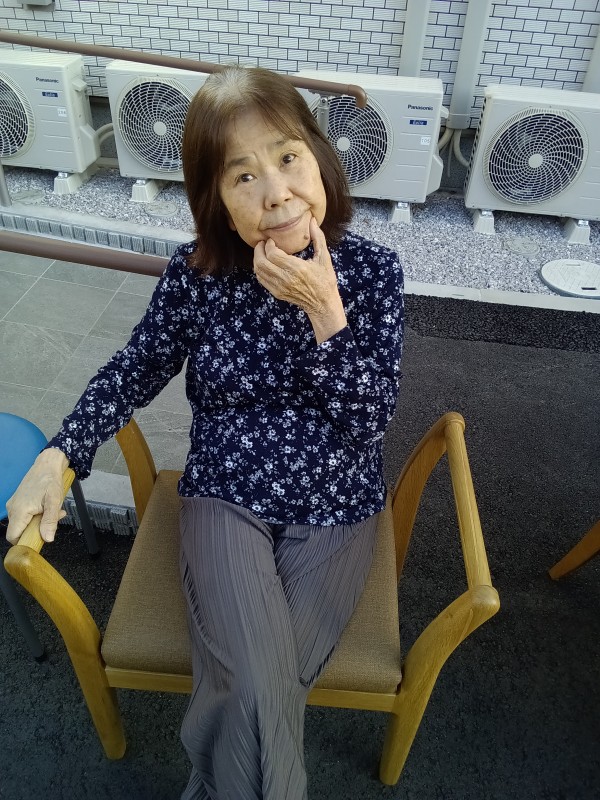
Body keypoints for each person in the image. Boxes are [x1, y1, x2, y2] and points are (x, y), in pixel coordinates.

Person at [6, 65, 404, 800]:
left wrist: (326, 311)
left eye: (287, 157)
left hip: (338, 504)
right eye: (242, 175)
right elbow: (136, 367)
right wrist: (63, 450)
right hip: (227, 497)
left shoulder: (375, 273)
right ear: (215, 199)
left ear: (319, 159)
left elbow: (370, 421)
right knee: (258, 686)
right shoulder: (199, 275)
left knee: (260, 689)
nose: (276, 192)